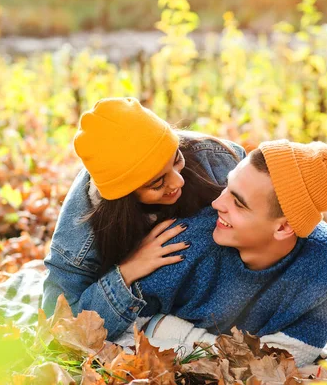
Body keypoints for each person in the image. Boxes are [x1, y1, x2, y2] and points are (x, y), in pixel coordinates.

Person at [119, 140, 327, 366]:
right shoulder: (182, 242)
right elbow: (124, 334)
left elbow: (291, 356)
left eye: (239, 203)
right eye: (227, 186)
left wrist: (172, 332)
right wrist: (238, 354)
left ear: (284, 227)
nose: (217, 204)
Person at [42, 97, 245, 339]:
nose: (177, 181)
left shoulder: (215, 159)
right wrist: (129, 270)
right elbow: (57, 327)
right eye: (157, 183)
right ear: (125, 196)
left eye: (176, 159)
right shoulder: (83, 228)